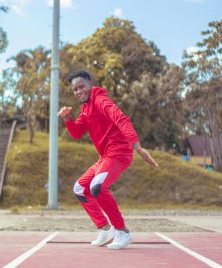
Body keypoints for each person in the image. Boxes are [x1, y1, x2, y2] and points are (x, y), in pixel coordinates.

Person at [58, 70, 158, 250]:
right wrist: (67, 118)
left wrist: (138, 147)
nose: (79, 91)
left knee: (97, 186)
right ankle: (105, 229)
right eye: (75, 89)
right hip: (105, 156)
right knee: (80, 188)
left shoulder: (100, 100)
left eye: (82, 87)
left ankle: (123, 231)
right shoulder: (86, 108)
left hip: (119, 153)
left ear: (90, 83)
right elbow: (76, 132)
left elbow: (122, 120)